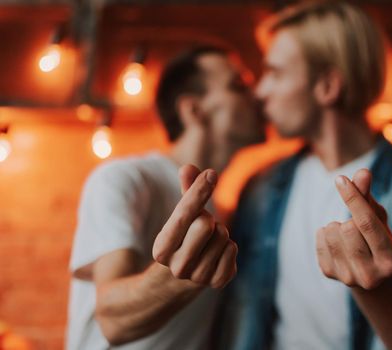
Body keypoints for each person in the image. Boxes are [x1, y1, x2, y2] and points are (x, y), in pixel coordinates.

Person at [208, 2, 392, 349]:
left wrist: (383, 291)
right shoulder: (261, 187)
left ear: (328, 86)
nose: (261, 92)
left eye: (274, 73)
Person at [66, 46, 265, 350]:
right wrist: (177, 278)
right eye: (238, 85)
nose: (259, 95)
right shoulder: (123, 179)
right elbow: (112, 320)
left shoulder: (228, 214)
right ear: (193, 110)